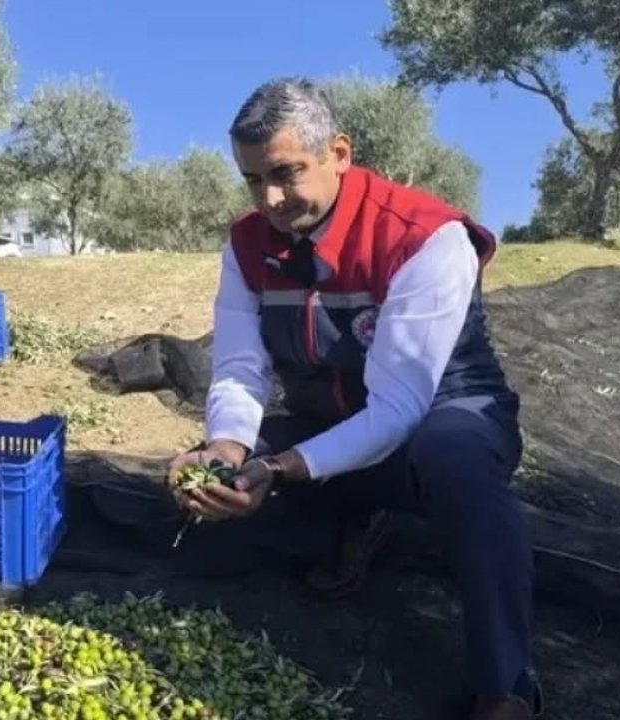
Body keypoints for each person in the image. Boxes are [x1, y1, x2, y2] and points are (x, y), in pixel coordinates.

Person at [168, 78, 540, 720]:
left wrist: (279, 468)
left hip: (442, 415)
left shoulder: (423, 237)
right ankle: (359, 519)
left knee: (452, 459)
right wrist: (226, 449)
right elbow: (237, 366)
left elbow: (397, 407)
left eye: (286, 173)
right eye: (254, 181)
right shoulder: (247, 243)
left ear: (339, 153)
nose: (271, 199)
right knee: (217, 472)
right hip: (329, 420)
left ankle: (507, 682)